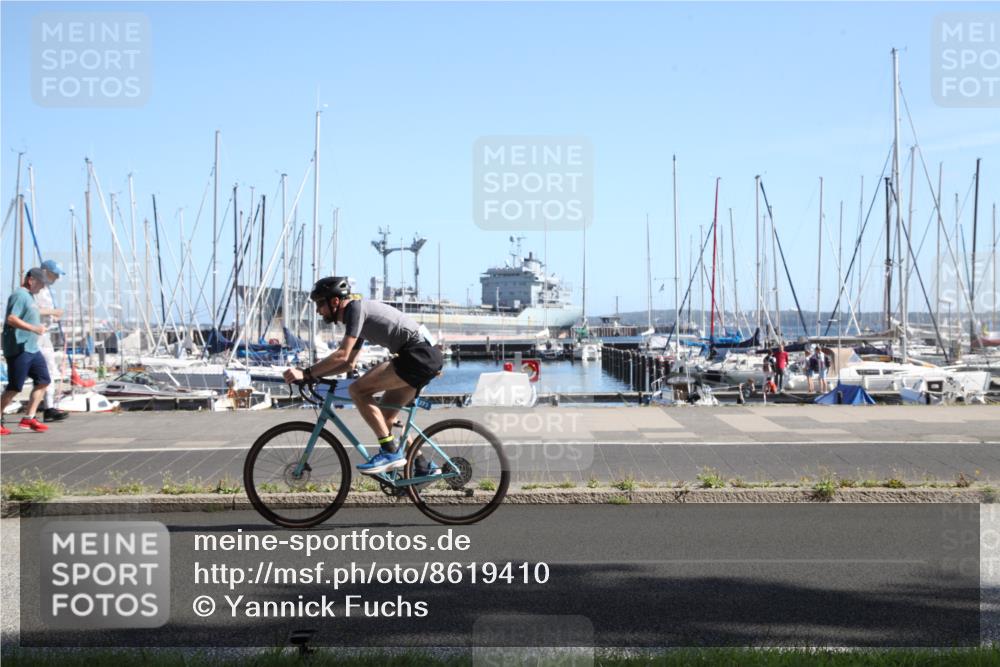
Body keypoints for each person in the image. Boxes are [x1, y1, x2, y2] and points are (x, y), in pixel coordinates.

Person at [283, 277, 444, 475]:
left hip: (417, 356)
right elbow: (348, 362)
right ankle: (421, 465)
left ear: (334, 301)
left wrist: (307, 373)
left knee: (357, 390)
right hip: (423, 356)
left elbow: (342, 354)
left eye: (320, 304)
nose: (318, 311)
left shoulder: (355, 310)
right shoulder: (357, 316)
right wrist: (314, 375)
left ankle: (390, 452)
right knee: (384, 418)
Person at [1, 269, 52, 435]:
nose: (43, 286)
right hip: (18, 348)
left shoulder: (30, 297)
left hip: (31, 348)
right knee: (15, 387)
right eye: (41, 282)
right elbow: (11, 318)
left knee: (44, 380)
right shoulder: (19, 295)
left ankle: (29, 418)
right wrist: (34, 328)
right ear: (31, 280)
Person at [36, 259, 69, 421]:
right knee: (21, 376)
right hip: (34, 336)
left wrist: (52, 316)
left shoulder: (46, 289)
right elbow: (33, 309)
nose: (56, 277)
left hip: (45, 335)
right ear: (44, 272)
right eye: (54, 274)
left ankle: (49, 408)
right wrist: (53, 311)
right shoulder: (36, 290)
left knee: (49, 371)